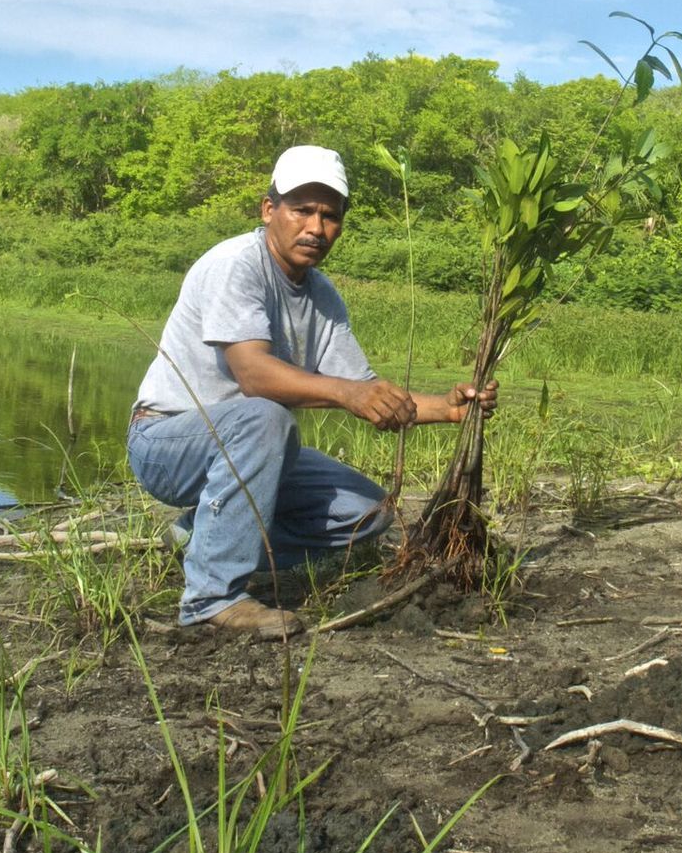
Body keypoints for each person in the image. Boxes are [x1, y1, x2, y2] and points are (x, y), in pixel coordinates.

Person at [127, 145, 497, 639]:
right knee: (266, 416)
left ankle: (203, 537)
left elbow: (365, 390)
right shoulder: (236, 264)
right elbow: (255, 377)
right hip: (166, 443)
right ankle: (211, 597)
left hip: (251, 443)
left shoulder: (321, 294)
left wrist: (448, 409)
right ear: (268, 210)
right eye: (302, 210)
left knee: (368, 513)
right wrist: (347, 394)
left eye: (330, 215)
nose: (316, 228)